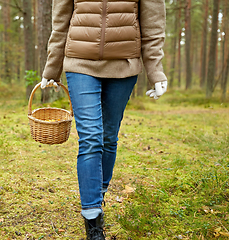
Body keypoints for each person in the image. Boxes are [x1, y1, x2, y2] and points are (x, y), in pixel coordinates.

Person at [40, 0, 167, 239]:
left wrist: (155, 70)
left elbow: (153, 25)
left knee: (108, 137)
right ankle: (93, 220)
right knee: (90, 138)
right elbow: (60, 23)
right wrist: (52, 67)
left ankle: (97, 195)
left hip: (124, 65)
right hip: (80, 63)